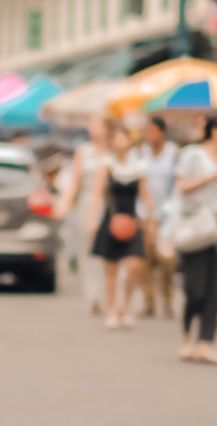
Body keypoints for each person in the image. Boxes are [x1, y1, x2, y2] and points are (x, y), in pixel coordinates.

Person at [173, 115, 217, 365]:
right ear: (215, 131)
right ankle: (186, 334)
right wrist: (212, 176)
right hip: (198, 223)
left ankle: (205, 342)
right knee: (196, 287)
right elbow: (181, 186)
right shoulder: (193, 155)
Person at [90, 124, 154, 329]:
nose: (120, 142)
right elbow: (97, 194)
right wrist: (91, 219)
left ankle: (125, 305)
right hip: (111, 220)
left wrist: (153, 218)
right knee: (111, 269)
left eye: (123, 138)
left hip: (132, 220)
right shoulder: (107, 165)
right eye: (116, 138)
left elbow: (146, 195)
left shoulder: (138, 166)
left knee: (134, 266)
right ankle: (111, 309)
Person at [59, 115, 111, 315]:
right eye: (92, 126)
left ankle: (109, 296)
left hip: (110, 203)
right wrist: (65, 203)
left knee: (109, 252)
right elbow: (75, 181)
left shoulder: (114, 150)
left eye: (98, 126)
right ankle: (93, 295)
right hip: (87, 202)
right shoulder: (84, 150)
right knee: (88, 251)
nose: (95, 130)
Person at [132, 116, 178, 319]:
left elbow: (177, 186)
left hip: (167, 215)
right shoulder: (140, 154)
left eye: (153, 131)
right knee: (144, 261)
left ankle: (167, 302)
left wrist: (163, 216)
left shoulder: (173, 154)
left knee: (167, 262)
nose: (149, 135)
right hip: (143, 213)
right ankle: (148, 302)